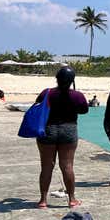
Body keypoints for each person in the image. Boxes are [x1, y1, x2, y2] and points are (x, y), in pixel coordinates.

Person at [35, 67, 89, 208]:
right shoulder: (77, 96)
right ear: (72, 81)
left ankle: (43, 200)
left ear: (57, 79)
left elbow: (37, 106)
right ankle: (71, 199)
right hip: (68, 130)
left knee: (46, 166)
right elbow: (84, 110)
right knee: (67, 166)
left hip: (48, 130)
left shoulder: (46, 93)